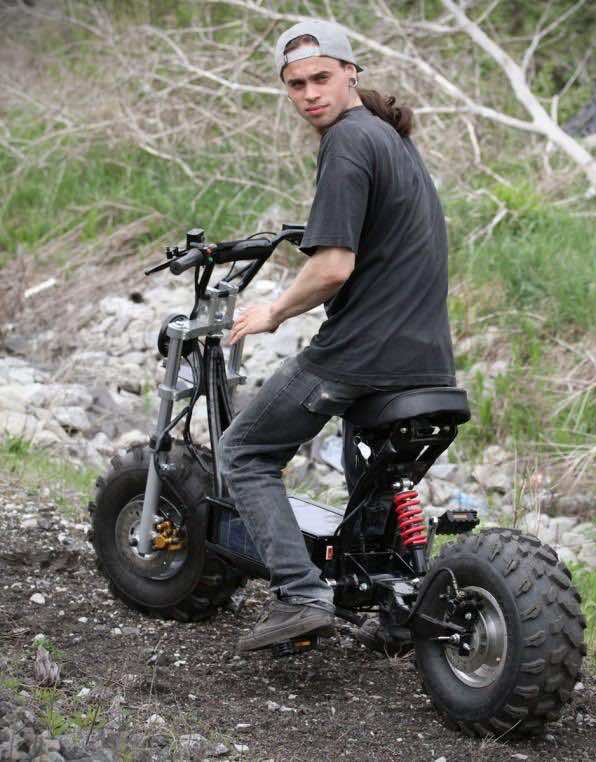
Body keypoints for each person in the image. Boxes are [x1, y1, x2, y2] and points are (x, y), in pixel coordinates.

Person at [218, 19, 455, 653]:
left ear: (351, 72)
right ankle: (401, 613)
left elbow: (331, 267)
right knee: (372, 474)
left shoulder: (347, 141)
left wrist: (272, 311)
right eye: (295, 84)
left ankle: (300, 596)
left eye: (320, 78)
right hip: (429, 356)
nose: (309, 94)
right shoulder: (389, 138)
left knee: (244, 452)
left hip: (361, 352)